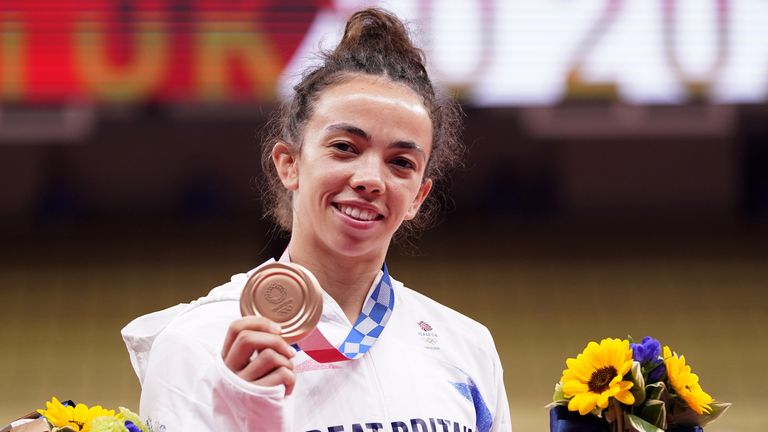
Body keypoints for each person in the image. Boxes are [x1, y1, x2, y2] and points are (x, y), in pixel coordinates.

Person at [122, 8, 512, 432]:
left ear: (418, 195)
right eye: (344, 147)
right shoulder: (199, 342)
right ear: (289, 164)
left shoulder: (467, 346)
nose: (370, 180)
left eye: (400, 162)